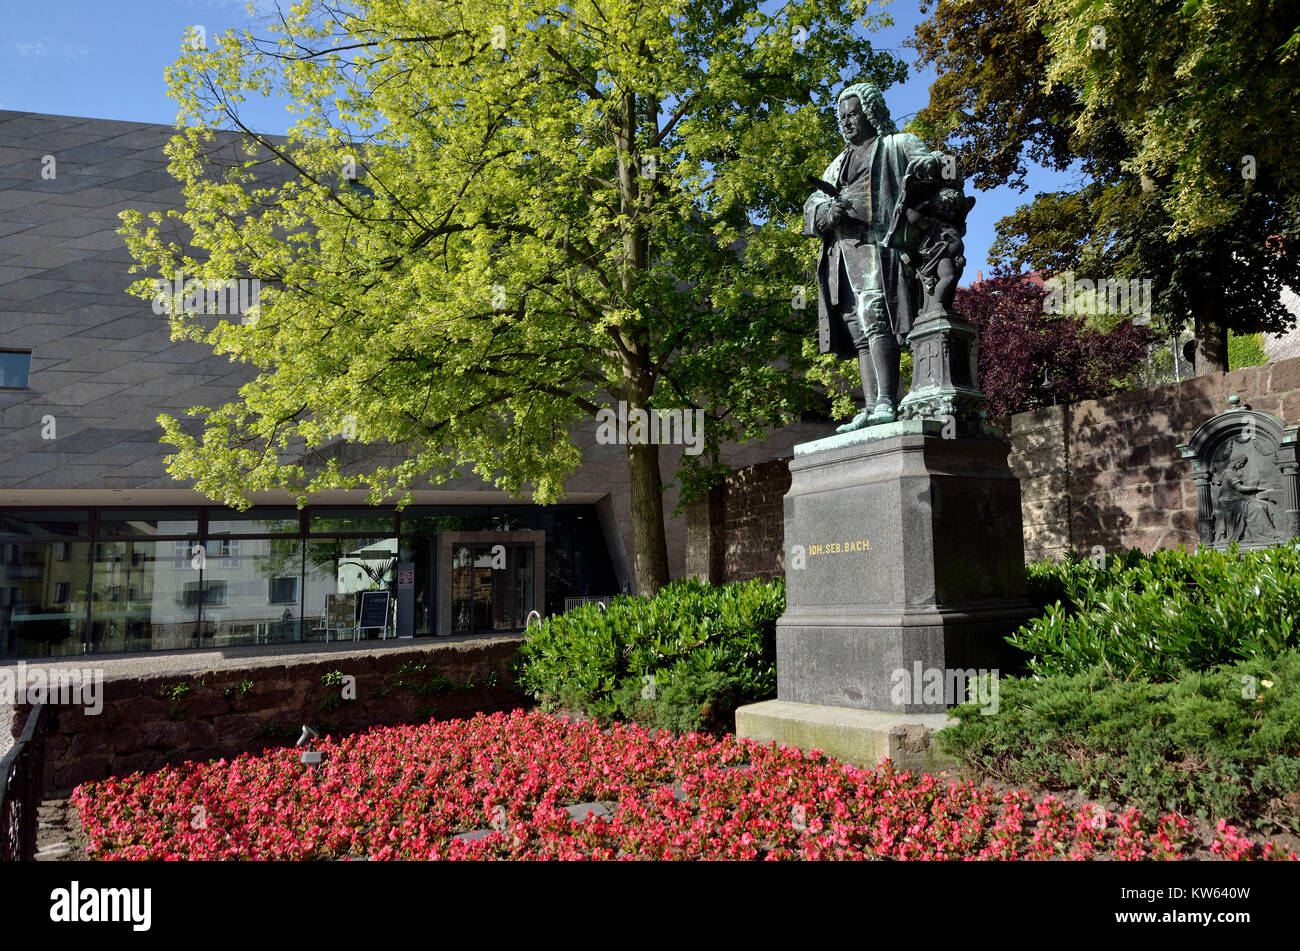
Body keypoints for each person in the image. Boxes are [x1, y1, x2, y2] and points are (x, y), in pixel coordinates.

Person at [804, 83, 934, 431]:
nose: (846, 122)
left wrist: (930, 173)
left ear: (871, 112)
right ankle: (874, 404)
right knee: (858, 327)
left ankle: (888, 402)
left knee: (875, 317)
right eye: (842, 117)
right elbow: (811, 206)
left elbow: (935, 167)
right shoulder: (837, 164)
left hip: (879, 248)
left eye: (853, 114)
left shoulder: (897, 145)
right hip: (843, 256)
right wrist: (828, 212)